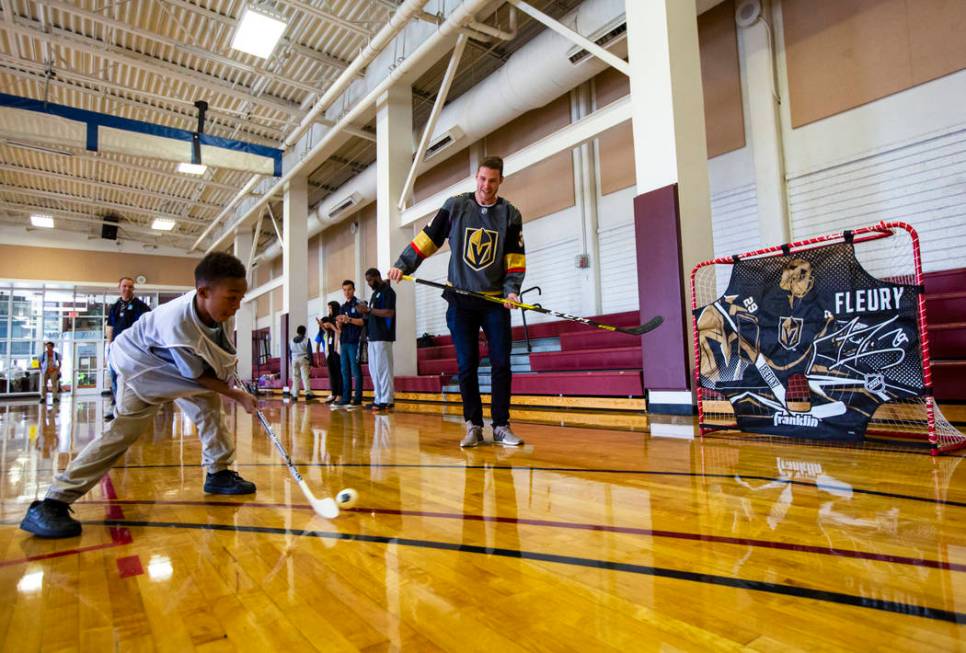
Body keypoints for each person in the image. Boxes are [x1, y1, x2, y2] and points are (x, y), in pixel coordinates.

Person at [19, 252, 259, 539]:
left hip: (172, 365)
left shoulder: (217, 313)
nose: (237, 305)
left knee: (208, 405)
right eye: (232, 298)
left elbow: (214, 362)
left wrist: (230, 383)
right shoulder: (177, 323)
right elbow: (197, 377)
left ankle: (218, 473)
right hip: (139, 368)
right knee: (122, 434)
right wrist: (238, 394)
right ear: (203, 292)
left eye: (240, 298)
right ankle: (52, 502)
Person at [388, 156, 526, 448]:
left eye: (492, 180)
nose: (486, 186)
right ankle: (473, 425)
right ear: (475, 178)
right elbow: (428, 240)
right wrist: (403, 264)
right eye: (482, 179)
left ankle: (500, 425)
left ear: (500, 181)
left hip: (494, 302)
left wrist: (512, 290)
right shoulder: (455, 206)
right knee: (467, 366)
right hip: (460, 301)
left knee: (501, 364)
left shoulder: (510, 214)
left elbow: (515, 259)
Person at [106, 276, 151, 414]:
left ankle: (140, 403)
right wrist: (110, 346)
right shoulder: (115, 307)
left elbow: (147, 327)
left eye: (130, 287)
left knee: (135, 375)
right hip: (116, 348)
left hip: (134, 349)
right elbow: (110, 327)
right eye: (124, 286)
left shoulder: (141, 306)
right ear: (119, 288)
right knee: (114, 375)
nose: (127, 289)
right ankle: (116, 405)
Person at [358, 268, 396, 411]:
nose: (369, 283)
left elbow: (389, 312)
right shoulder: (374, 294)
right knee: (374, 370)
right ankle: (378, 398)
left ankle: (387, 400)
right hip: (372, 336)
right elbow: (370, 313)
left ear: (378, 277)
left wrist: (369, 310)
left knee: (383, 369)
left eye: (370, 280)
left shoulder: (388, 292)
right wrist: (364, 311)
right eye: (367, 281)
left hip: (383, 336)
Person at [334, 280, 364, 407]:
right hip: (344, 341)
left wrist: (349, 319)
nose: (347, 292)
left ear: (354, 290)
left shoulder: (359, 304)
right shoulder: (342, 307)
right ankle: (346, 397)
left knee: (355, 370)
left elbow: (363, 322)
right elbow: (339, 327)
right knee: (344, 371)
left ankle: (357, 398)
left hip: (354, 341)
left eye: (349, 289)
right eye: (344, 290)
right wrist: (339, 322)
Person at [315, 301, 343, 404]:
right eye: (328, 308)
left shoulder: (339, 318)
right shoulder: (330, 319)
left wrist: (331, 325)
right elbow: (328, 332)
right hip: (330, 347)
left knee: (338, 372)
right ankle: (334, 393)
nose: (329, 310)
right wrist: (322, 326)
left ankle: (340, 394)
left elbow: (339, 331)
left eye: (331, 308)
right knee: (332, 372)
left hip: (337, 347)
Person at [288, 325, 315, 401]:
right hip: (303, 359)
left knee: (295, 377)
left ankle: (295, 395)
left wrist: (291, 361)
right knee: (305, 377)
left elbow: (289, 353)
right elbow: (309, 352)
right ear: (304, 332)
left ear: (297, 331)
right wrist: (311, 363)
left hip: (294, 359)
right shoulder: (306, 340)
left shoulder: (291, 340)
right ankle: (307, 394)